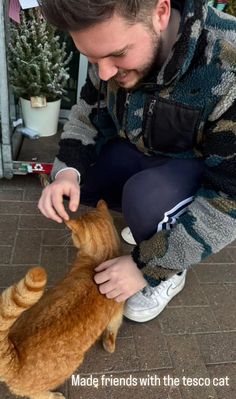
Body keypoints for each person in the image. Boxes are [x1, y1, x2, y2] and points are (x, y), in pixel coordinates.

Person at [38, 0, 236, 322]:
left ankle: (170, 268)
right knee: (82, 176)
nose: (104, 73)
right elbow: (88, 113)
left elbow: (230, 200)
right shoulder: (109, 45)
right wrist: (67, 173)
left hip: (207, 174)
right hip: (145, 147)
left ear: (160, 12)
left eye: (118, 54)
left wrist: (144, 266)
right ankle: (155, 224)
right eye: (92, 58)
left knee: (146, 201)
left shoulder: (228, 65)